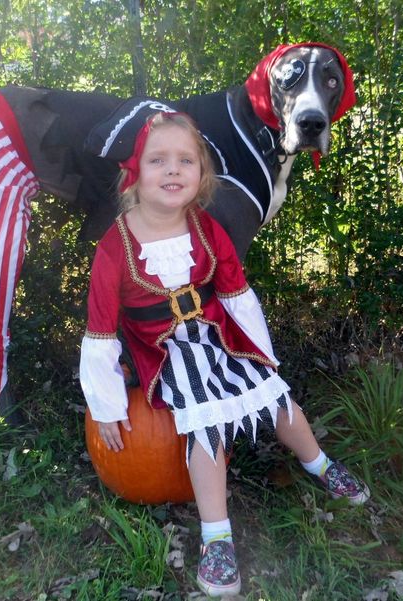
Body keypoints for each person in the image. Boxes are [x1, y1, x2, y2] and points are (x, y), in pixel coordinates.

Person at [79, 111, 369, 597]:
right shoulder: (115, 247)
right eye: (158, 160)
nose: (173, 171)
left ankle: (317, 462)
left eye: (185, 161)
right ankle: (217, 536)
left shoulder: (206, 227)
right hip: (165, 351)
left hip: (219, 335)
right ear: (135, 172)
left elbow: (236, 294)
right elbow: (101, 329)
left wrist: (261, 354)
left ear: (201, 173)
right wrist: (107, 404)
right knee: (206, 423)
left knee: (275, 396)